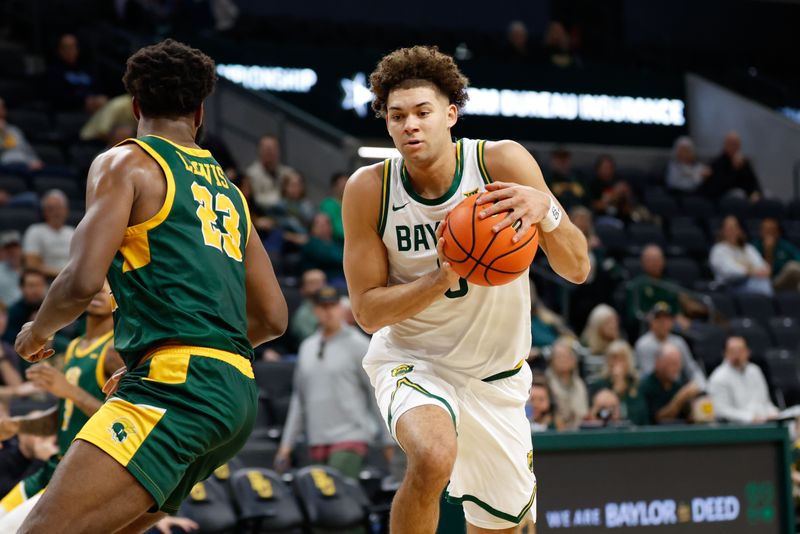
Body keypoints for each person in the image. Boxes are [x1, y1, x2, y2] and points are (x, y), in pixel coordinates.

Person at [12, 39, 287, 533]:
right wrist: (181, 353)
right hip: (236, 395)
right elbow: (272, 318)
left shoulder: (126, 163)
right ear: (199, 113)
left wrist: (38, 331)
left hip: (178, 388)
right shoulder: (230, 191)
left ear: (136, 106)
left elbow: (81, 281)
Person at [343, 45, 590, 533]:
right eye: (397, 116)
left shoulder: (500, 162)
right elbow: (368, 313)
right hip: (415, 360)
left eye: (422, 112)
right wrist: (442, 276)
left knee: (505, 526)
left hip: (496, 376)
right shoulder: (370, 189)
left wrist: (546, 211)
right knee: (433, 455)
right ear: (387, 123)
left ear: (451, 115)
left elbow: (578, 268)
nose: (410, 125)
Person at [0, 282, 122, 530]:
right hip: (56, 464)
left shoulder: (115, 351)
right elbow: (66, 416)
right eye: (96, 286)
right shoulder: (75, 346)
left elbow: (119, 423)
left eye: (108, 288)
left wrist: (69, 390)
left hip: (82, 472)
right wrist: (20, 426)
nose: (99, 291)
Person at [275, 287, 391, 479]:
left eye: (333, 305)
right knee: (320, 497)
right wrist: (286, 446)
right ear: (315, 310)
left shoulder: (359, 344)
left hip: (351, 437)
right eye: (323, 306)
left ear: (341, 308)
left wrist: (388, 439)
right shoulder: (307, 347)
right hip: (316, 439)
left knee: (337, 490)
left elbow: (376, 392)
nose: (328, 311)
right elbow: (299, 400)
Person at [633, 302, 706, 388]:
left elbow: (691, 368)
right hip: (654, 389)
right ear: (652, 322)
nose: (663, 323)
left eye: (667, 319)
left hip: (678, 386)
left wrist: (701, 384)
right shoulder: (643, 344)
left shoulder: (679, 342)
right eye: (659, 320)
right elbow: (648, 374)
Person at [707, 336, 778, 423]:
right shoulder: (718, 377)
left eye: (740, 350)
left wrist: (774, 413)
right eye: (732, 351)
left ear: (748, 352)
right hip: (737, 427)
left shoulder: (755, 370)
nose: (737, 354)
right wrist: (750, 418)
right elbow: (721, 411)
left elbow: (765, 401)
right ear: (725, 353)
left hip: (764, 421)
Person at [709, 215, 772, 296]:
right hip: (729, 286)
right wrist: (750, 272)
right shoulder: (718, 249)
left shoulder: (748, 248)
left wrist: (763, 270)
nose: (732, 231)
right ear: (722, 230)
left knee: (763, 283)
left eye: (734, 227)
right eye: (728, 228)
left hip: (752, 282)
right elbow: (729, 271)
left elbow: (762, 266)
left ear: (739, 230)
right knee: (761, 286)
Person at [589, 340, 648, 426]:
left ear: (628, 362)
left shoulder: (637, 384)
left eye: (621, 359)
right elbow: (600, 415)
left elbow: (641, 415)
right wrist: (615, 392)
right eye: (613, 359)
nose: (616, 364)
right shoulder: (599, 385)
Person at [640, 343, 701, 424]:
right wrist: (680, 399)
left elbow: (688, 419)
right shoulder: (645, 386)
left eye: (678, 363)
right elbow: (658, 419)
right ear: (658, 363)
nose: (677, 367)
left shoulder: (678, 385)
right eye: (672, 363)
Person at [45, 33, 107, 113]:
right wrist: (83, 101)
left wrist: (97, 98)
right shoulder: (54, 72)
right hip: (73, 111)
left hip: (95, 105)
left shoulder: (86, 69)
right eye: (66, 47)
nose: (70, 50)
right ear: (60, 50)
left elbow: (98, 88)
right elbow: (58, 98)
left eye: (73, 46)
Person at [22, 190, 75, 278]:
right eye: (51, 209)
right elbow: (32, 265)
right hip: (46, 279)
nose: (56, 212)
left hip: (72, 279)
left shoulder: (73, 232)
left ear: (66, 210)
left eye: (59, 208)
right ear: (44, 212)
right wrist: (62, 275)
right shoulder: (35, 231)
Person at [704, 131, 761, 201]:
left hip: (745, 198)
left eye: (736, 144)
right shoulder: (717, 162)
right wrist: (734, 169)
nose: (734, 147)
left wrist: (755, 192)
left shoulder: (744, 162)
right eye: (731, 144)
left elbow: (752, 181)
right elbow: (718, 186)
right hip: (723, 199)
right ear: (725, 145)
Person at [245, 134, 296, 213]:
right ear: (259, 150)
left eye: (272, 148)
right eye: (265, 148)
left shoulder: (289, 173)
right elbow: (253, 200)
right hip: (261, 214)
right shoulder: (250, 175)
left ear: (279, 151)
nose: (269, 152)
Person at [545, 339, 588, 430]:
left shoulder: (580, 384)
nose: (563, 360)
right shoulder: (545, 383)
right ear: (551, 360)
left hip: (579, 429)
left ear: (574, 360)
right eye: (559, 356)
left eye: (567, 356)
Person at [752, 218, 800, 292]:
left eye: (771, 230)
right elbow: (765, 272)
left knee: (793, 268)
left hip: (783, 280)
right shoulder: (753, 247)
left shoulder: (785, 245)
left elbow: (798, 260)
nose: (768, 233)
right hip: (763, 282)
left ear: (778, 232)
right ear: (760, 232)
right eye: (766, 230)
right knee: (792, 266)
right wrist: (768, 252)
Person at [2, 269, 47, 347]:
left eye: (39, 285)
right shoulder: (14, 311)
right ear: (21, 288)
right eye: (31, 285)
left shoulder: (48, 307)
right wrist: (31, 328)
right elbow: (9, 341)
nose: (35, 290)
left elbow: (62, 333)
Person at [0, 97, 43, 171]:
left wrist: (35, 161)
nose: (1, 110)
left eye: (2, 107)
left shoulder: (14, 130)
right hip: (6, 164)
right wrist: (3, 133)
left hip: (25, 163)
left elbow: (26, 149)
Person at [301, 213, 345, 285]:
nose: (323, 226)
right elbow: (329, 257)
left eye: (326, 223)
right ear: (312, 228)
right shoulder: (311, 244)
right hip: (323, 280)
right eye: (318, 223)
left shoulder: (338, 242)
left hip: (342, 277)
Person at [588, 154, 633, 221]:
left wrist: (626, 195)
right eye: (604, 168)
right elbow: (592, 205)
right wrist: (613, 195)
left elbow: (628, 209)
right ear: (598, 169)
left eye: (610, 168)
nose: (607, 171)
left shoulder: (619, 181)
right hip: (600, 217)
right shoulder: (593, 184)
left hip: (620, 217)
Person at [290, 269, 327, 344]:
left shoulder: (341, 304)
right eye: (312, 283)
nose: (318, 286)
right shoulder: (302, 315)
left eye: (320, 282)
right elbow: (311, 342)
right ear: (302, 289)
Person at [319, 171, 348, 244]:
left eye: (347, 185)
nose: (345, 188)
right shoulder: (328, 204)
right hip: (337, 242)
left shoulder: (351, 203)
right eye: (342, 186)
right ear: (334, 187)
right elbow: (336, 229)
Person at [0, 231, 23, 306]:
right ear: (1, 251)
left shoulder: (30, 270)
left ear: (21, 249)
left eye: (15, 247)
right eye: (8, 248)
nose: (12, 251)